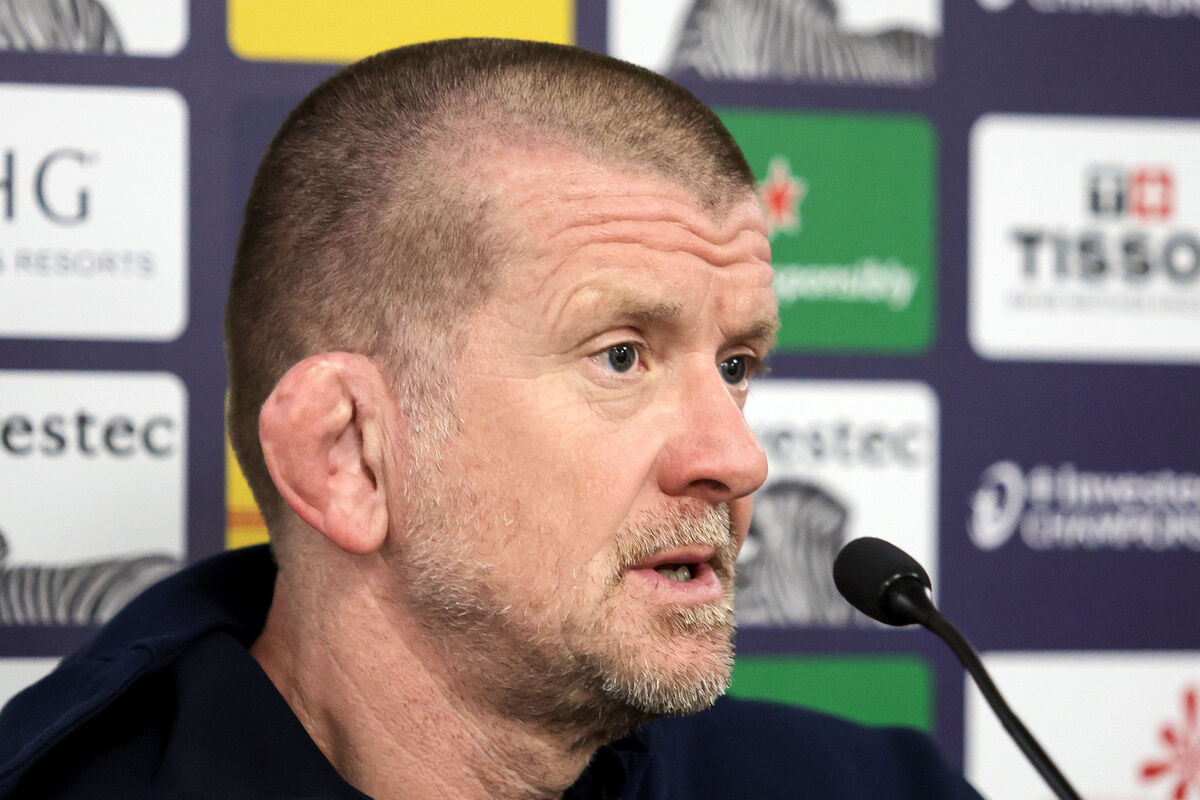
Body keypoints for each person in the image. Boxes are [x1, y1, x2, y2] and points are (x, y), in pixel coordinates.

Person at [0, 38, 983, 799]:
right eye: (621, 355)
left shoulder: (879, 786)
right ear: (348, 457)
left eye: (736, 366)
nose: (738, 456)